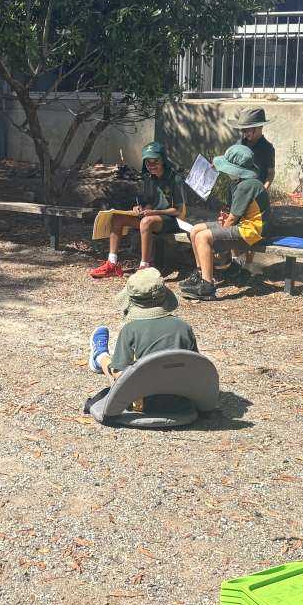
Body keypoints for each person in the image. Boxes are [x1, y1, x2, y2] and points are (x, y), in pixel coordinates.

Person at [87, 267, 199, 412]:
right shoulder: (184, 327)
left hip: (144, 402)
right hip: (181, 401)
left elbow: (120, 375)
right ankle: (100, 357)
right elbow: (195, 364)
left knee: (114, 367)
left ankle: (100, 356)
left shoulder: (130, 330)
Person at [178, 144, 270, 302]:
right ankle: (200, 273)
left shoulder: (246, 186)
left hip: (251, 231)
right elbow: (233, 214)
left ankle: (207, 286)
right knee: (195, 230)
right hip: (242, 225)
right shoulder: (239, 183)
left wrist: (218, 237)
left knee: (203, 237)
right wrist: (223, 220)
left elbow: (233, 219)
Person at [89, 142, 186, 279]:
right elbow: (149, 202)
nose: (151, 165)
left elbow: (178, 210)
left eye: (155, 161)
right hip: (152, 217)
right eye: (148, 162)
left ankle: (144, 266)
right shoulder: (149, 178)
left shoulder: (175, 179)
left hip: (172, 221)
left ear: (163, 160)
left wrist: (154, 213)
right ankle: (112, 263)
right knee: (117, 218)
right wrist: (140, 208)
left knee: (146, 222)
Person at [230, 106, 276, 186]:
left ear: (259, 127)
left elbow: (271, 173)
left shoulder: (267, 148)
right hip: (239, 189)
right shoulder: (240, 143)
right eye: (243, 130)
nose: (245, 133)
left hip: (257, 191)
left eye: (248, 130)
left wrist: (263, 189)